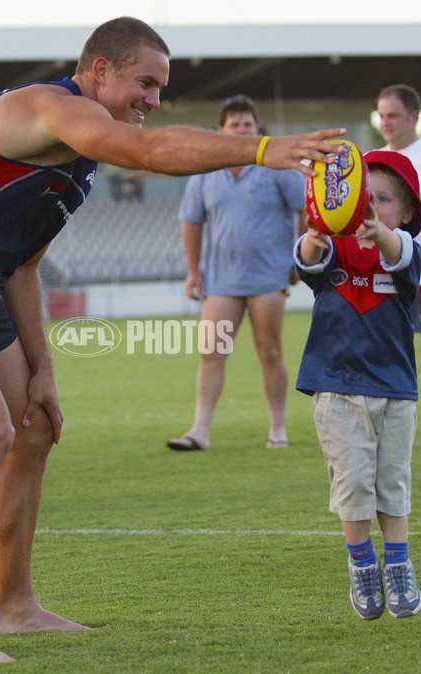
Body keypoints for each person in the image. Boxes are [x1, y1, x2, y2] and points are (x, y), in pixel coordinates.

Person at [0, 16, 347, 663]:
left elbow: (25, 268)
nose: (153, 99)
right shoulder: (48, 109)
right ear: (99, 72)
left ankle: (17, 608)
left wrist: (43, 372)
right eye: (145, 82)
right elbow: (147, 153)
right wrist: (261, 149)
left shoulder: (78, 160)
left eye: (160, 88)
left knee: (30, 428)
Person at [295, 150, 421, 620]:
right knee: (353, 483)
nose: (371, 207)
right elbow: (307, 259)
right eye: (365, 196)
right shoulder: (334, 246)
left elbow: (398, 253)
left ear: (407, 212)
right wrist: (314, 232)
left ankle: (398, 562)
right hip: (336, 387)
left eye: (384, 200)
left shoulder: (406, 251)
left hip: (395, 388)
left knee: (392, 480)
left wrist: (380, 233)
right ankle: (361, 563)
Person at [166, 95, 304, 452]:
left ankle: (277, 429)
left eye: (247, 124)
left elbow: (304, 211)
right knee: (211, 352)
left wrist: (300, 258)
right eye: (235, 125)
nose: (242, 130)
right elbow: (191, 221)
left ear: (257, 129)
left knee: (270, 352)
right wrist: (193, 270)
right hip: (221, 281)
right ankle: (199, 430)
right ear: (221, 131)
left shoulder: (277, 167)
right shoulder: (206, 171)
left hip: (269, 279)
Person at [376, 84, 421, 380]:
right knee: (383, 348)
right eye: (382, 116)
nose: (386, 122)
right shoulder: (374, 159)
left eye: (393, 115)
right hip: (381, 269)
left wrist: (373, 215)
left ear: (413, 117)